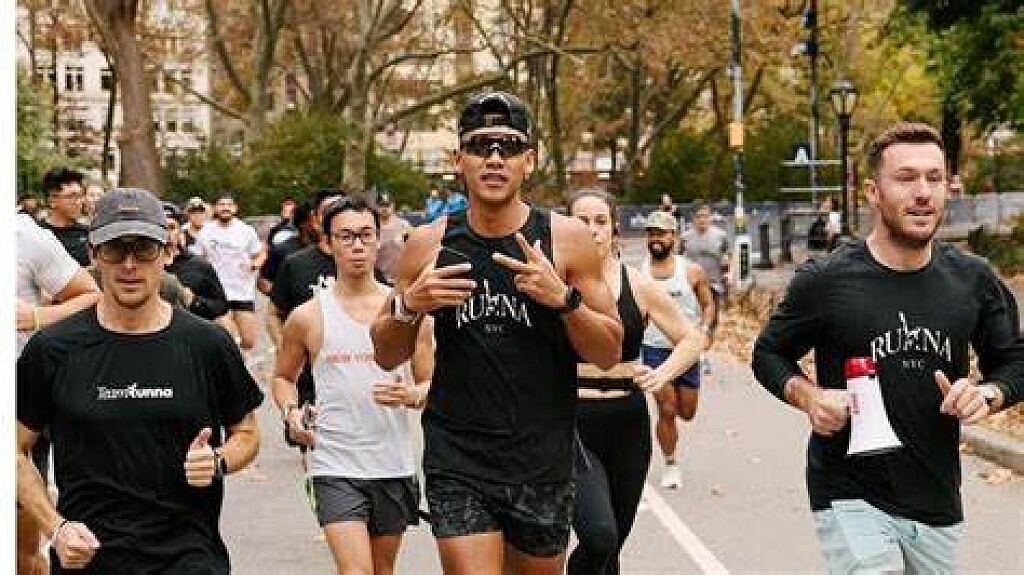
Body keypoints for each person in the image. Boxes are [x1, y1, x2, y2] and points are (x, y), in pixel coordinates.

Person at [751, 122, 1024, 573]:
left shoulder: (973, 279)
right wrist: (810, 397)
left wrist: (987, 393)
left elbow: (1014, 360)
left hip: (935, 497)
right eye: (906, 178)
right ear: (873, 193)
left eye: (934, 179)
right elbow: (768, 354)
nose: (923, 193)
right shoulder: (827, 281)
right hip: (849, 492)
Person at [371, 90, 623, 575]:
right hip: (458, 455)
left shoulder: (566, 239)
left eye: (508, 146)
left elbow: (609, 350)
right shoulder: (428, 243)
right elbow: (385, 353)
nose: (493, 158)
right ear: (458, 160)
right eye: (479, 146)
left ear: (529, 161)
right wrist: (410, 305)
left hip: (541, 456)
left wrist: (564, 300)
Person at [16, 187, 264, 573]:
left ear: (167, 253)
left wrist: (218, 461)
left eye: (144, 249)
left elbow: (246, 433)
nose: (129, 265)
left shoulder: (208, 344)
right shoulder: (52, 349)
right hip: (90, 557)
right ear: (94, 254)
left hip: (188, 556)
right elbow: (13, 449)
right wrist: (57, 527)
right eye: (115, 250)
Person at [273, 196, 433, 574]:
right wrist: (292, 413)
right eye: (346, 237)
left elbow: (431, 384)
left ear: (379, 240)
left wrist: (412, 394)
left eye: (365, 235)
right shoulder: (308, 316)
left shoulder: (408, 312)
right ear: (328, 243)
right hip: (334, 463)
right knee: (356, 571)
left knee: (381, 571)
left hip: (392, 463)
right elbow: (283, 378)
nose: (357, 245)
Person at [567, 191, 704, 575]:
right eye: (581, 221)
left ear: (614, 229)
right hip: (572, 420)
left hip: (627, 422)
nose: (592, 229)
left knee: (613, 545)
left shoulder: (638, 285)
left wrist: (663, 373)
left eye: (600, 221)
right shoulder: (555, 283)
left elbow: (692, 339)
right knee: (599, 535)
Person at [15, 212, 101, 574]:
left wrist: (37, 317)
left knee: (21, 553)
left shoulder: (22, 234)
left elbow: (92, 296)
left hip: (17, 407)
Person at [642, 210, 716, 490]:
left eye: (661, 234)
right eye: (651, 234)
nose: (655, 239)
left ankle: (672, 456)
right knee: (667, 409)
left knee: (687, 412)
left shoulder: (692, 271)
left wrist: (705, 330)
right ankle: (671, 464)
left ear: (673, 236)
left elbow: (708, 305)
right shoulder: (639, 274)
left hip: (685, 351)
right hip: (654, 350)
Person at [271, 189, 346, 411]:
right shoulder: (295, 265)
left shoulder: (364, 265)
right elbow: (273, 313)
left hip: (351, 374)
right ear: (315, 219)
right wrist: (284, 346)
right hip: (308, 378)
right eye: (330, 211)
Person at [195, 192, 266, 356]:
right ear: (215, 208)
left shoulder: (246, 230)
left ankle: (235, 355)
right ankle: (231, 362)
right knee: (228, 337)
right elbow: (198, 259)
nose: (225, 208)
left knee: (249, 340)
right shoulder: (206, 231)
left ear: (235, 208)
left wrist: (255, 264)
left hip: (242, 291)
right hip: (217, 292)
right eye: (221, 204)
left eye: (229, 205)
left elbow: (260, 254)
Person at [164, 202, 229, 321]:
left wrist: (194, 301)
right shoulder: (143, 265)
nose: (167, 233)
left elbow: (221, 306)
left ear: (180, 232)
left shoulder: (199, 265)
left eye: (172, 228)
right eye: (162, 227)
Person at [682, 203, 730, 322]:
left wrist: (728, 274)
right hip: (692, 285)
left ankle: (711, 333)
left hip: (714, 283)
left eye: (705, 216)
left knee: (712, 319)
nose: (702, 220)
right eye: (698, 216)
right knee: (694, 318)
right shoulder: (685, 237)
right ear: (693, 218)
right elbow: (678, 258)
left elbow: (727, 256)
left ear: (710, 217)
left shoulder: (721, 236)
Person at [39, 167, 91, 266]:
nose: (79, 202)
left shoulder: (87, 233)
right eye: (72, 196)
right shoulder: (38, 234)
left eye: (80, 196)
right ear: (52, 200)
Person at [375, 192, 412, 285]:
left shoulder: (404, 225)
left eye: (387, 205)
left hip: (400, 278)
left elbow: (414, 248)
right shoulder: (373, 227)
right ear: (377, 207)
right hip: (379, 278)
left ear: (393, 206)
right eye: (382, 205)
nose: (385, 209)